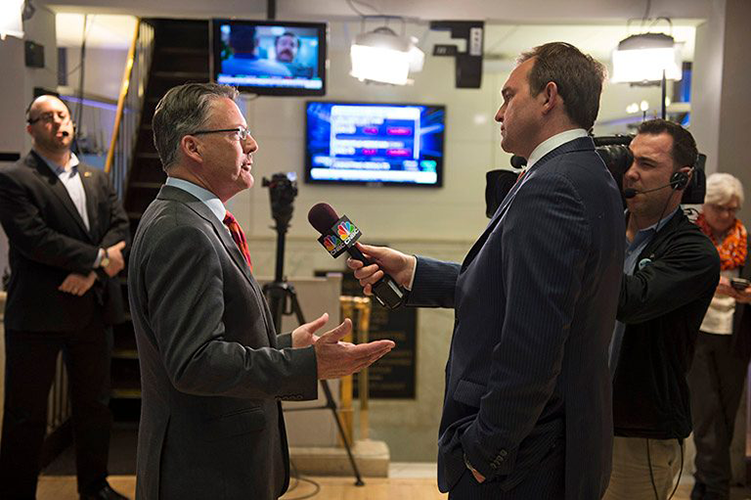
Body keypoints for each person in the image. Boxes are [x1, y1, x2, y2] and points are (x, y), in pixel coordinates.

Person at [349, 42, 624, 499]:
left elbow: (533, 339)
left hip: (523, 461)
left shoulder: (554, 186)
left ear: (548, 97)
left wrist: (485, 451)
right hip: (549, 445)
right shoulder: (581, 172)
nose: (499, 113)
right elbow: (514, 288)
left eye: (508, 96)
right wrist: (413, 271)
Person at [129, 82, 394, 500]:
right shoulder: (184, 231)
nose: (252, 144)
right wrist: (307, 367)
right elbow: (194, 363)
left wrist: (287, 347)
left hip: (215, 464)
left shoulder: (193, 218)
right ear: (192, 147)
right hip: (205, 473)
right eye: (236, 134)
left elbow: (211, 342)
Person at [0, 95, 130, 500]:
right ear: (31, 128)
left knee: (95, 407)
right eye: (46, 117)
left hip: (91, 309)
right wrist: (97, 259)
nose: (58, 122)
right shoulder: (15, 179)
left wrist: (90, 273)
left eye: (63, 115)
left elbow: (119, 227)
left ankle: (95, 489)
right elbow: (34, 239)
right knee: (25, 416)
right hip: (38, 314)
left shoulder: (98, 177)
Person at [603, 119, 721, 500]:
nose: (631, 175)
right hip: (579, 419)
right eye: (629, 162)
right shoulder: (608, 233)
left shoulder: (693, 252)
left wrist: (580, 231)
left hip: (640, 433)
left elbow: (632, 301)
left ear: (681, 179)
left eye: (648, 165)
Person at [688, 173, 751, 500]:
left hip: (735, 339)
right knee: (707, 415)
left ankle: (705, 484)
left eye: (732, 209)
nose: (727, 216)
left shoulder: (746, 242)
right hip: (696, 335)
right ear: (706, 206)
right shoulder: (692, 239)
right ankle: (716, 490)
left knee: (725, 419)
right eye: (720, 209)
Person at [220, 24, 292, 78]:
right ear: (258, 42)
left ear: (229, 43)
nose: (287, 47)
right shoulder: (281, 71)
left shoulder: (221, 68)